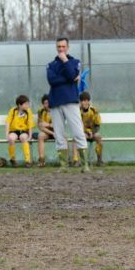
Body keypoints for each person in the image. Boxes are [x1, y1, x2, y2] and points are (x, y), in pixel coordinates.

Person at [46, 37, 90, 172]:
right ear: (56, 47)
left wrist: (65, 61)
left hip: (70, 101)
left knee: (78, 132)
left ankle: (85, 165)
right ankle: (63, 166)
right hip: (55, 102)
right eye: (58, 46)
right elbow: (52, 80)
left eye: (63, 46)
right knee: (59, 134)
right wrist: (69, 79)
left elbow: (72, 74)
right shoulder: (51, 64)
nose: (61, 49)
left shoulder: (75, 62)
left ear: (68, 47)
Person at [71, 92, 103, 166]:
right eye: (83, 101)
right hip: (82, 132)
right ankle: (76, 161)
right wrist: (85, 132)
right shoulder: (77, 111)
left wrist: (92, 132)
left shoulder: (94, 111)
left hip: (93, 132)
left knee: (98, 137)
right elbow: (76, 125)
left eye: (86, 101)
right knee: (75, 138)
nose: (85, 102)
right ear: (80, 102)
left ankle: (99, 160)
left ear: (89, 101)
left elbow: (97, 125)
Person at [5, 95, 35, 167]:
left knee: (23, 138)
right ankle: (13, 159)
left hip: (24, 131)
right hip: (14, 131)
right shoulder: (13, 110)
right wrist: (7, 134)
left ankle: (28, 161)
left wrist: (30, 135)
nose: (28, 105)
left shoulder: (28, 111)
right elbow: (8, 122)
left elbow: (30, 124)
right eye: (26, 104)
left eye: (28, 103)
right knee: (11, 138)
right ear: (19, 105)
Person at [35, 94, 54, 167]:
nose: (47, 105)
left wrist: (46, 124)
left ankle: (65, 161)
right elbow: (40, 126)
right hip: (47, 132)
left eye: (48, 102)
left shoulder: (56, 109)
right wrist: (49, 126)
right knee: (40, 136)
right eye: (45, 103)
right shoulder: (40, 111)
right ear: (43, 104)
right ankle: (42, 160)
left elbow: (57, 125)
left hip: (57, 131)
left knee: (64, 137)